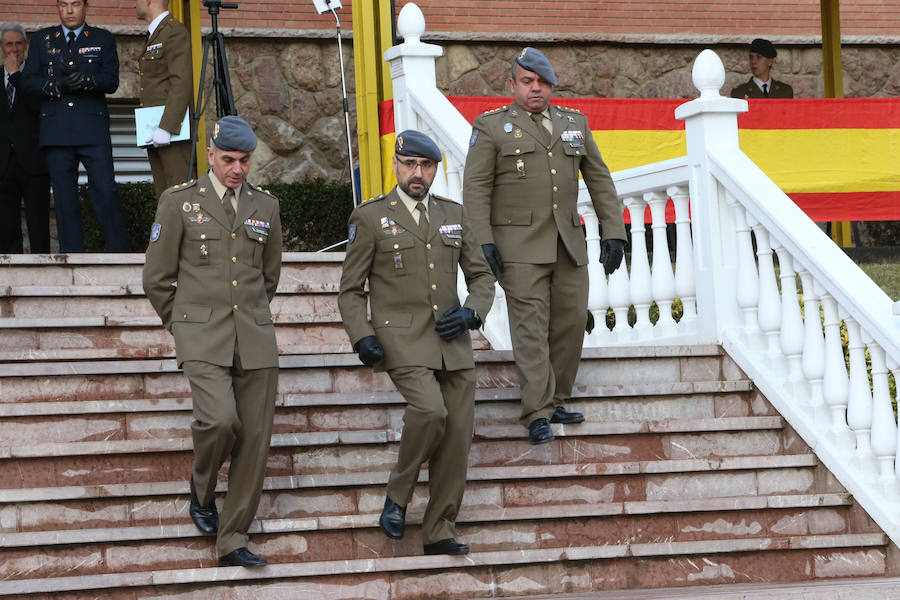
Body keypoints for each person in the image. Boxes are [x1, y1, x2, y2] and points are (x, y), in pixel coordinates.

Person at [338, 130, 495, 556]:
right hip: (401, 338)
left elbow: (481, 276)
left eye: (426, 166)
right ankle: (397, 496)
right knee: (430, 411)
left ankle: (439, 530)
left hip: (453, 342)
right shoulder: (370, 217)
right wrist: (362, 336)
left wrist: (472, 311)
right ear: (396, 164)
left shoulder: (453, 214)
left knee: (457, 437)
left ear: (434, 170)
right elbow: (350, 290)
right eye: (410, 165)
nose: (417, 174)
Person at [463, 47, 626, 445]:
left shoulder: (574, 123)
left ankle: (556, 399)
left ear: (551, 84)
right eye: (527, 81)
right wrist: (482, 242)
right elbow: (476, 190)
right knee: (530, 330)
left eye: (542, 82)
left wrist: (614, 230)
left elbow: (599, 179)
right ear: (513, 84)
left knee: (569, 325)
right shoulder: (492, 127)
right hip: (517, 247)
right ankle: (536, 411)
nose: (535, 89)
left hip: (568, 244)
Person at [142, 116, 282, 568]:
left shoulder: (266, 206)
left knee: (255, 440)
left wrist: (253, 316)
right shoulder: (179, 203)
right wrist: (181, 326)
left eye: (244, 161)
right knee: (220, 421)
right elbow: (157, 278)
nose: (237, 169)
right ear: (210, 156)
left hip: (255, 338)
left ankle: (234, 538)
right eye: (228, 160)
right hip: (201, 334)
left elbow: (269, 275)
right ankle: (202, 489)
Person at [18, 0, 127, 253]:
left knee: (105, 192)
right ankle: (72, 256)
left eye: (75, 4)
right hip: (56, 130)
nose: (69, 10)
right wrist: (53, 86)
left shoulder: (103, 38)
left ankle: (119, 252)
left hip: (92, 130)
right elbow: (28, 80)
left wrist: (86, 81)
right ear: (58, 7)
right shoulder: (43, 39)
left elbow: (111, 81)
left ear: (86, 7)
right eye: (63, 4)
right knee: (65, 201)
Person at [0, 23, 51, 253]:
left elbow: (38, 109)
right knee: (6, 229)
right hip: (4, 164)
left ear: (26, 46)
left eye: (18, 43)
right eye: (9, 44)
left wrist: (16, 76)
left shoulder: (37, 76)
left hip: (34, 162)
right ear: (2, 48)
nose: (14, 49)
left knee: (39, 228)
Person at [136, 0, 193, 200]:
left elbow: (181, 82)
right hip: (155, 129)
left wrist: (167, 127)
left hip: (170, 131)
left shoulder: (173, 31)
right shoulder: (156, 32)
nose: (136, 4)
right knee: (165, 197)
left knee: (181, 195)